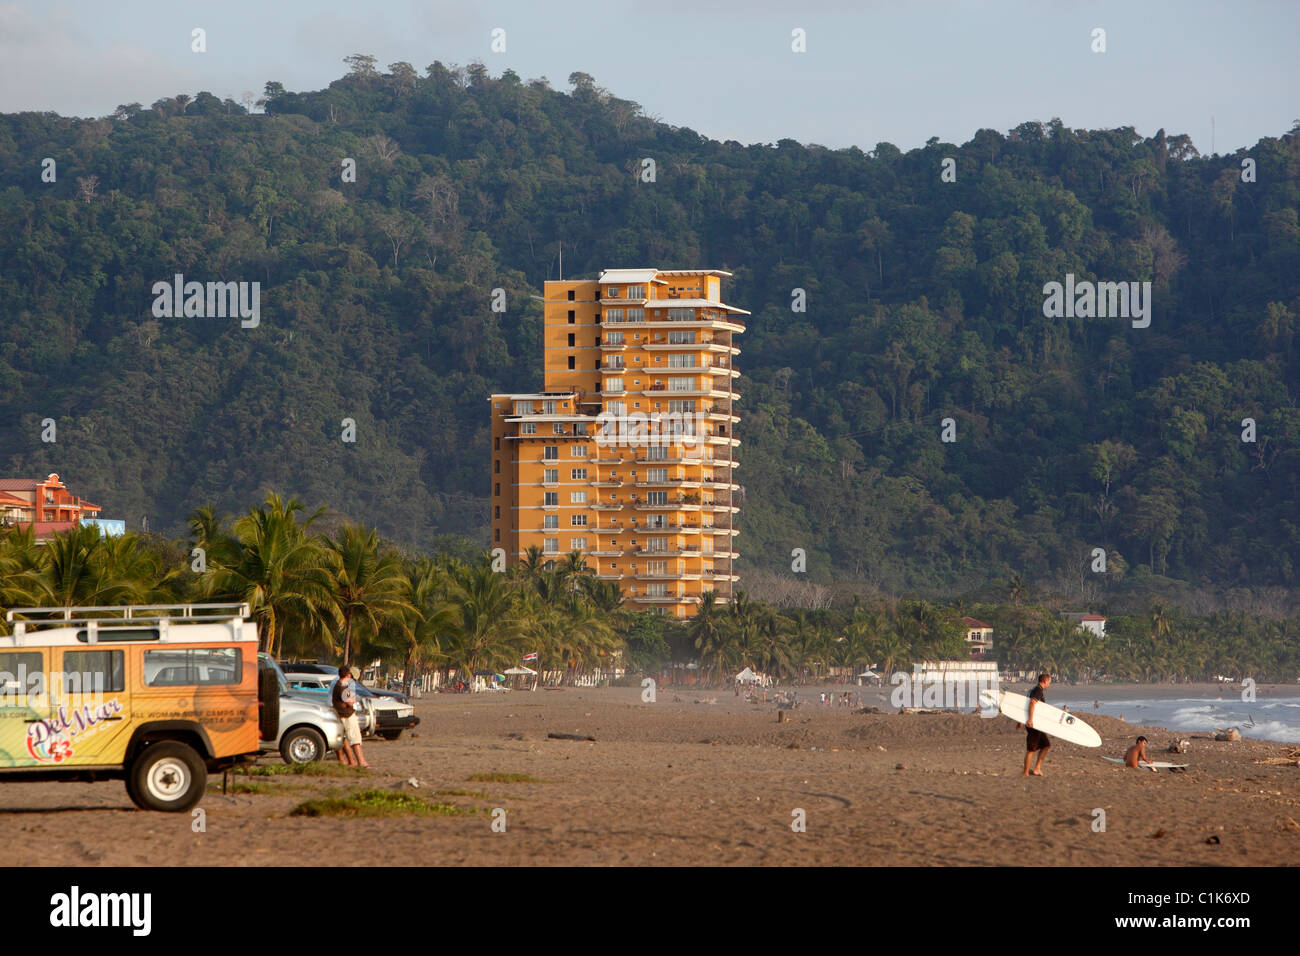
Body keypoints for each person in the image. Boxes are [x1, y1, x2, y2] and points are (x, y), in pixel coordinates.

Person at [331, 665, 371, 768]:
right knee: (355, 739)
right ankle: (361, 762)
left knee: (344, 739)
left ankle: (351, 761)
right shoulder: (343, 687)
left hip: (341, 714)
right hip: (347, 715)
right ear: (348, 675)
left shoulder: (338, 685)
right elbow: (350, 701)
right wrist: (353, 700)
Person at [1021, 673, 1052, 777]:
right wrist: (1029, 719)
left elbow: (1023, 705)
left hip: (1037, 724)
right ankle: (1025, 773)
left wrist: (1020, 721)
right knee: (1031, 749)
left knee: (1046, 745)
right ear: (1045, 681)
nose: (1049, 685)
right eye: (1049, 682)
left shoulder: (1033, 690)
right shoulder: (1038, 690)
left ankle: (1037, 768)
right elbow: (1031, 703)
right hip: (1033, 724)